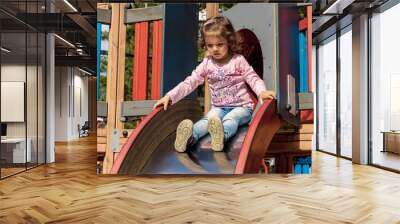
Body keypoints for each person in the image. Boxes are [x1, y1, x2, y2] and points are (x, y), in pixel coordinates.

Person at [154, 16, 275, 152]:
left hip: (242, 107)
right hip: (218, 107)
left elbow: (253, 78)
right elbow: (190, 82)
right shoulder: (207, 64)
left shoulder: (238, 60)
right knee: (208, 121)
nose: (215, 49)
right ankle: (189, 138)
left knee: (231, 119)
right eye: (210, 45)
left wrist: (262, 92)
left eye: (220, 44)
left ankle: (221, 137)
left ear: (229, 42)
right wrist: (170, 97)